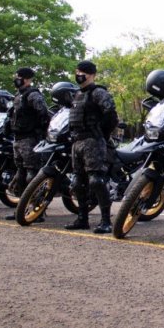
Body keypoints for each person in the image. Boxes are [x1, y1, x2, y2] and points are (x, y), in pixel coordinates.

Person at [64, 60, 119, 233]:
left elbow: (111, 116)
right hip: (77, 142)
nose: (79, 75)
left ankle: (105, 221)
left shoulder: (98, 93)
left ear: (92, 75)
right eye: (77, 71)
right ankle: (82, 219)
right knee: (77, 182)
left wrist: (101, 134)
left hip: (93, 142)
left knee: (96, 181)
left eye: (83, 72)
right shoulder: (77, 94)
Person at [5, 67, 50, 222]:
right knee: (21, 174)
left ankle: (37, 210)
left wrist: (40, 133)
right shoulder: (18, 95)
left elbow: (43, 114)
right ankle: (22, 208)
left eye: (19, 77)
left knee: (32, 174)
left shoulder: (33, 95)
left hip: (30, 139)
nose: (16, 79)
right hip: (18, 139)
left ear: (27, 79)